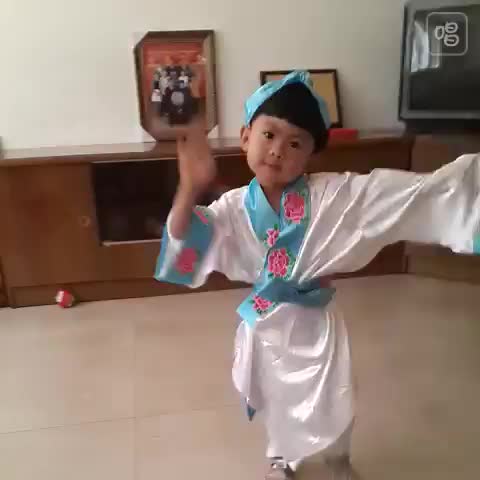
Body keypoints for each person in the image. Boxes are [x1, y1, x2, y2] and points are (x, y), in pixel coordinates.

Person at [154, 70, 480, 479]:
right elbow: (187, 240)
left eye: (295, 143)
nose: (278, 150)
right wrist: (189, 188)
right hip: (267, 323)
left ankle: (337, 457)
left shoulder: (332, 196)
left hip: (316, 323)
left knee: (334, 393)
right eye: (269, 135)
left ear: (310, 154)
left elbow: (406, 194)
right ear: (245, 137)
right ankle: (281, 458)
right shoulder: (233, 208)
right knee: (276, 396)